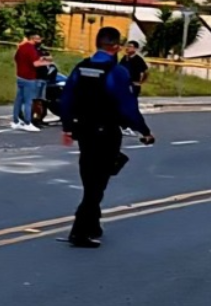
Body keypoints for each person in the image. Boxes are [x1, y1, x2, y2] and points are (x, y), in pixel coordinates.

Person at [60, 27, 155, 248]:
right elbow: (127, 106)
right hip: (106, 131)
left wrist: (68, 127)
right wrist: (144, 131)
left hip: (84, 131)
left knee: (90, 177)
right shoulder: (116, 72)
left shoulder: (81, 67)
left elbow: (66, 98)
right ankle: (80, 231)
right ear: (116, 47)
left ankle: (93, 224)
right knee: (98, 182)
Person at [12, 31, 52, 132]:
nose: (40, 41)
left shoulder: (22, 47)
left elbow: (15, 58)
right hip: (29, 78)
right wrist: (47, 62)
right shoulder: (31, 49)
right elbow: (35, 63)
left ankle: (16, 121)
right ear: (34, 39)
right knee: (28, 101)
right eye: (38, 39)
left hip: (20, 76)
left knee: (18, 100)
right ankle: (27, 122)